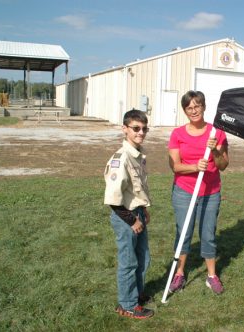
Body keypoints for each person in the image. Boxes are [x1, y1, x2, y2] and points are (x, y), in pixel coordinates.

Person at [167, 90, 229, 295]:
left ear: (203, 106)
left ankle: (211, 276)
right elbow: (175, 166)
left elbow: (223, 165)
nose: (194, 110)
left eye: (197, 105)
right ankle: (179, 273)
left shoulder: (216, 133)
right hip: (184, 191)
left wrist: (215, 151)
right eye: (189, 107)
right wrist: (195, 167)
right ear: (185, 110)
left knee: (208, 234)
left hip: (210, 192)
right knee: (183, 233)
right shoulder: (178, 134)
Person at [104, 109, 154, 319]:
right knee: (129, 261)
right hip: (126, 217)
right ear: (125, 129)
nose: (140, 132)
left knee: (143, 258)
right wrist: (132, 220)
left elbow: (137, 188)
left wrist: (143, 210)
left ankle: (136, 295)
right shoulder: (121, 158)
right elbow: (113, 200)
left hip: (137, 213)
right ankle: (127, 305)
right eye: (136, 128)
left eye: (144, 128)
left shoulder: (138, 155)